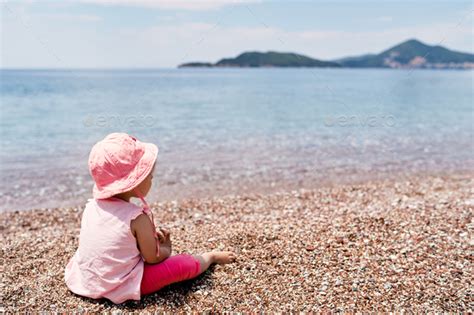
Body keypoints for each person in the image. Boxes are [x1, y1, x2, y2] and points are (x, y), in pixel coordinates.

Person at [64, 132, 236, 304]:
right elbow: (152, 258)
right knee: (182, 265)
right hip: (121, 283)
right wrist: (166, 250)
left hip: (89, 279)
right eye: (150, 176)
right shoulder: (137, 218)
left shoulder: (91, 206)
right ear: (134, 182)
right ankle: (210, 257)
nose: (152, 180)